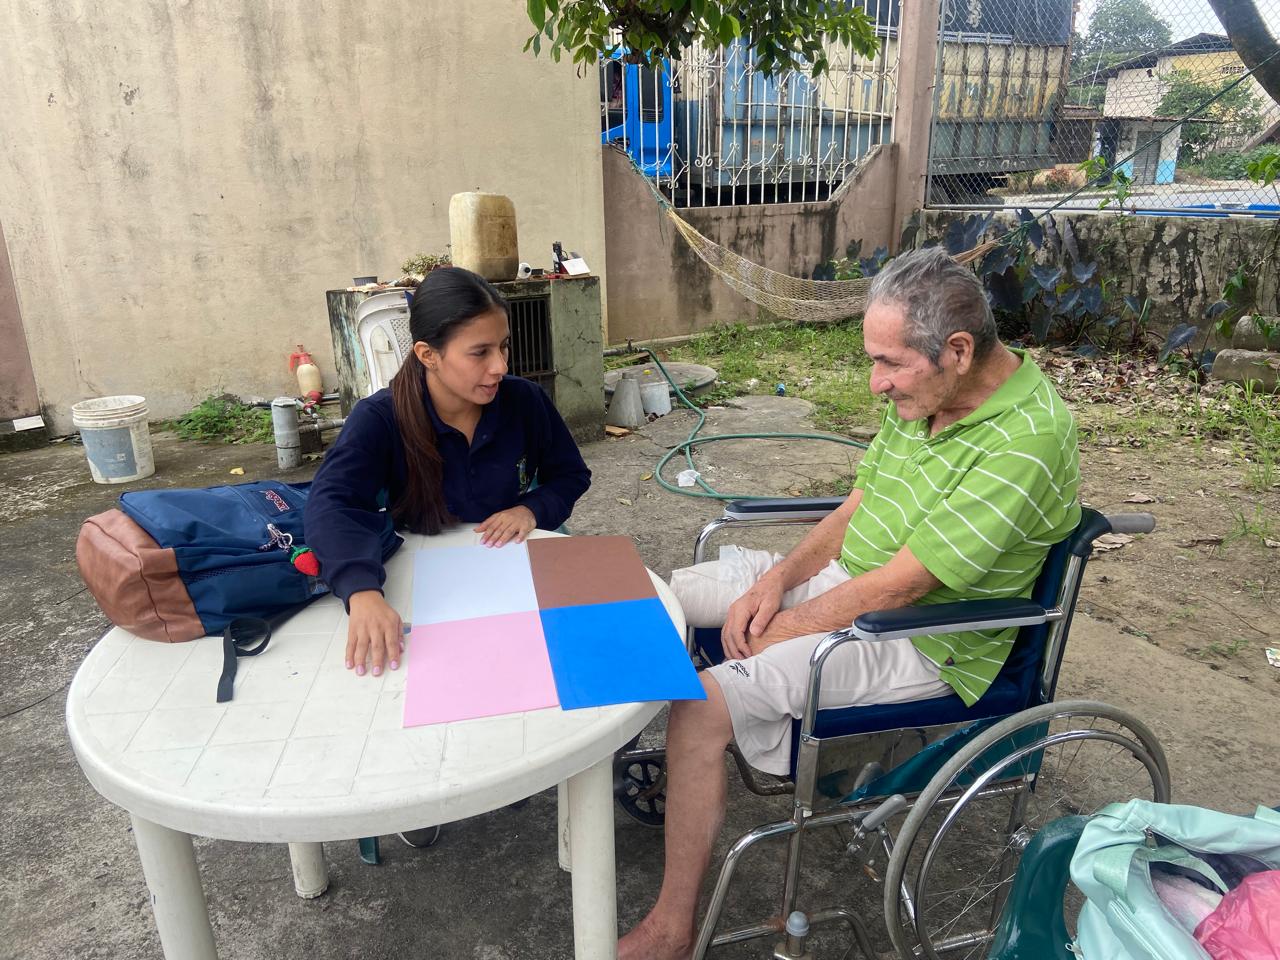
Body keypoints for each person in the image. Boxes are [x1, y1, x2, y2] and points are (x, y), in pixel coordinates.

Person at [617, 246, 1081, 960]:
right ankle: (580, 749)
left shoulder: (1027, 437)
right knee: (650, 597)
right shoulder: (928, 394)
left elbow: (906, 585)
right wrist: (775, 581)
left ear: (958, 350)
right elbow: (857, 508)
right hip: (849, 588)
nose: (875, 383)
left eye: (889, 363)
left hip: (923, 637)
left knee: (702, 705)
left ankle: (671, 930)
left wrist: (782, 629)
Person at [305, 266, 591, 679]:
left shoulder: (524, 402)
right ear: (428, 355)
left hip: (514, 562)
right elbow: (332, 504)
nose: (499, 366)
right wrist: (362, 591)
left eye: (503, 347)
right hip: (422, 575)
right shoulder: (380, 418)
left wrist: (530, 510)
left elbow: (570, 475)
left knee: (561, 667)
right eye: (480, 352)